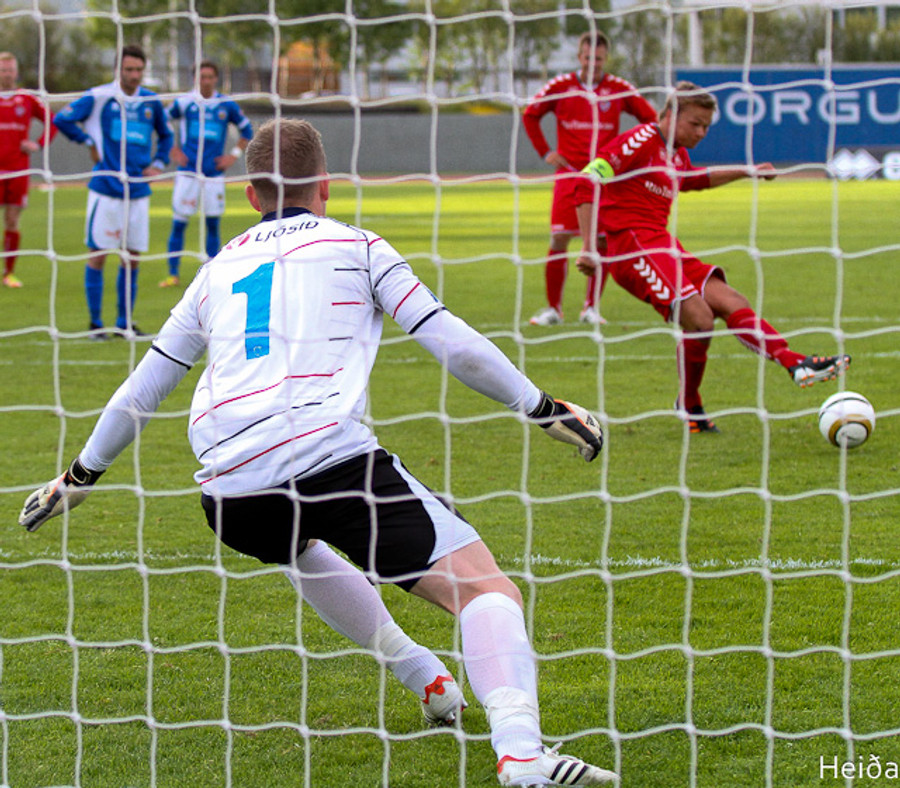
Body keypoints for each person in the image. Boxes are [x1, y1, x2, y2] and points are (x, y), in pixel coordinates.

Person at [20, 118, 614, 787]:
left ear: (251, 195)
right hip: (329, 461)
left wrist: (79, 475)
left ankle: (422, 674)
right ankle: (524, 756)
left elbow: (143, 387)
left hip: (229, 494)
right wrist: (540, 406)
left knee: (298, 544)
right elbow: (450, 339)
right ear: (326, 185)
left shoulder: (216, 270)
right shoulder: (359, 245)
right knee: (485, 591)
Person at [574, 81, 850, 433]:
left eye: (706, 126)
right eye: (695, 124)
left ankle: (794, 363)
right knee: (700, 319)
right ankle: (690, 405)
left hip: (663, 245)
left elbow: (691, 179)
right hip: (633, 247)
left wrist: (746, 170)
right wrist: (588, 246)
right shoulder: (642, 139)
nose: (702, 132)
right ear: (671, 115)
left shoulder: (676, 154)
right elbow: (587, 179)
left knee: (730, 299)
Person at [523, 31, 657, 327]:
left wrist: (630, 153)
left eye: (598, 58)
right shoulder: (561, 86)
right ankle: (554, 309)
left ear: (605, 58)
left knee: (602, 241)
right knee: (559, 237)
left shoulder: (619, 88)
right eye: (588, 58)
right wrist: (546, 151)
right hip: (569, 174)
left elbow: (651, 120)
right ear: (579, 57)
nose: (593, 63)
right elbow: (530, 114)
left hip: (604, 177)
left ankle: (591, 308)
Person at [54, 44, 174, 339]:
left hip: (138, 192)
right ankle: (96, 325)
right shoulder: (99, 96)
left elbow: (167, 135)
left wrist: (158, 163)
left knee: (132, 258)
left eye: (139, 70)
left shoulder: (151, 101)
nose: (134, 75)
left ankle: (124, 323)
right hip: (105, 190)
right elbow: (62, 119)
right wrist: (88, 142)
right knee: (98, 255)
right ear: (118, 69)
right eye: (129, 69)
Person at [161, 60, 253, 289]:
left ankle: (212, 273)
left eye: (210, 77)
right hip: (188, 173)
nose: (206, 81)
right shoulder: (184, 102)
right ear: (195, 79)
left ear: (216, 79)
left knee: (212, 223)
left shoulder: (226, 105)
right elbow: (160, 120)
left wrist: (232, 156)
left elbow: (247, 130)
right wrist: (172, 149)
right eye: (202, 77)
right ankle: (173, 274)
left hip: (213, 173)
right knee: (179, 223)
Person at [0, 51, 57, 288]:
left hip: (18, 169)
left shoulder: (26, 98)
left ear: (16, 72)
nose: (7, 74)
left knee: (12, 220)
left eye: (10, 70)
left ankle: (8, 273)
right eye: (3, 70)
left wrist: (38, 144)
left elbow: (53, 122)